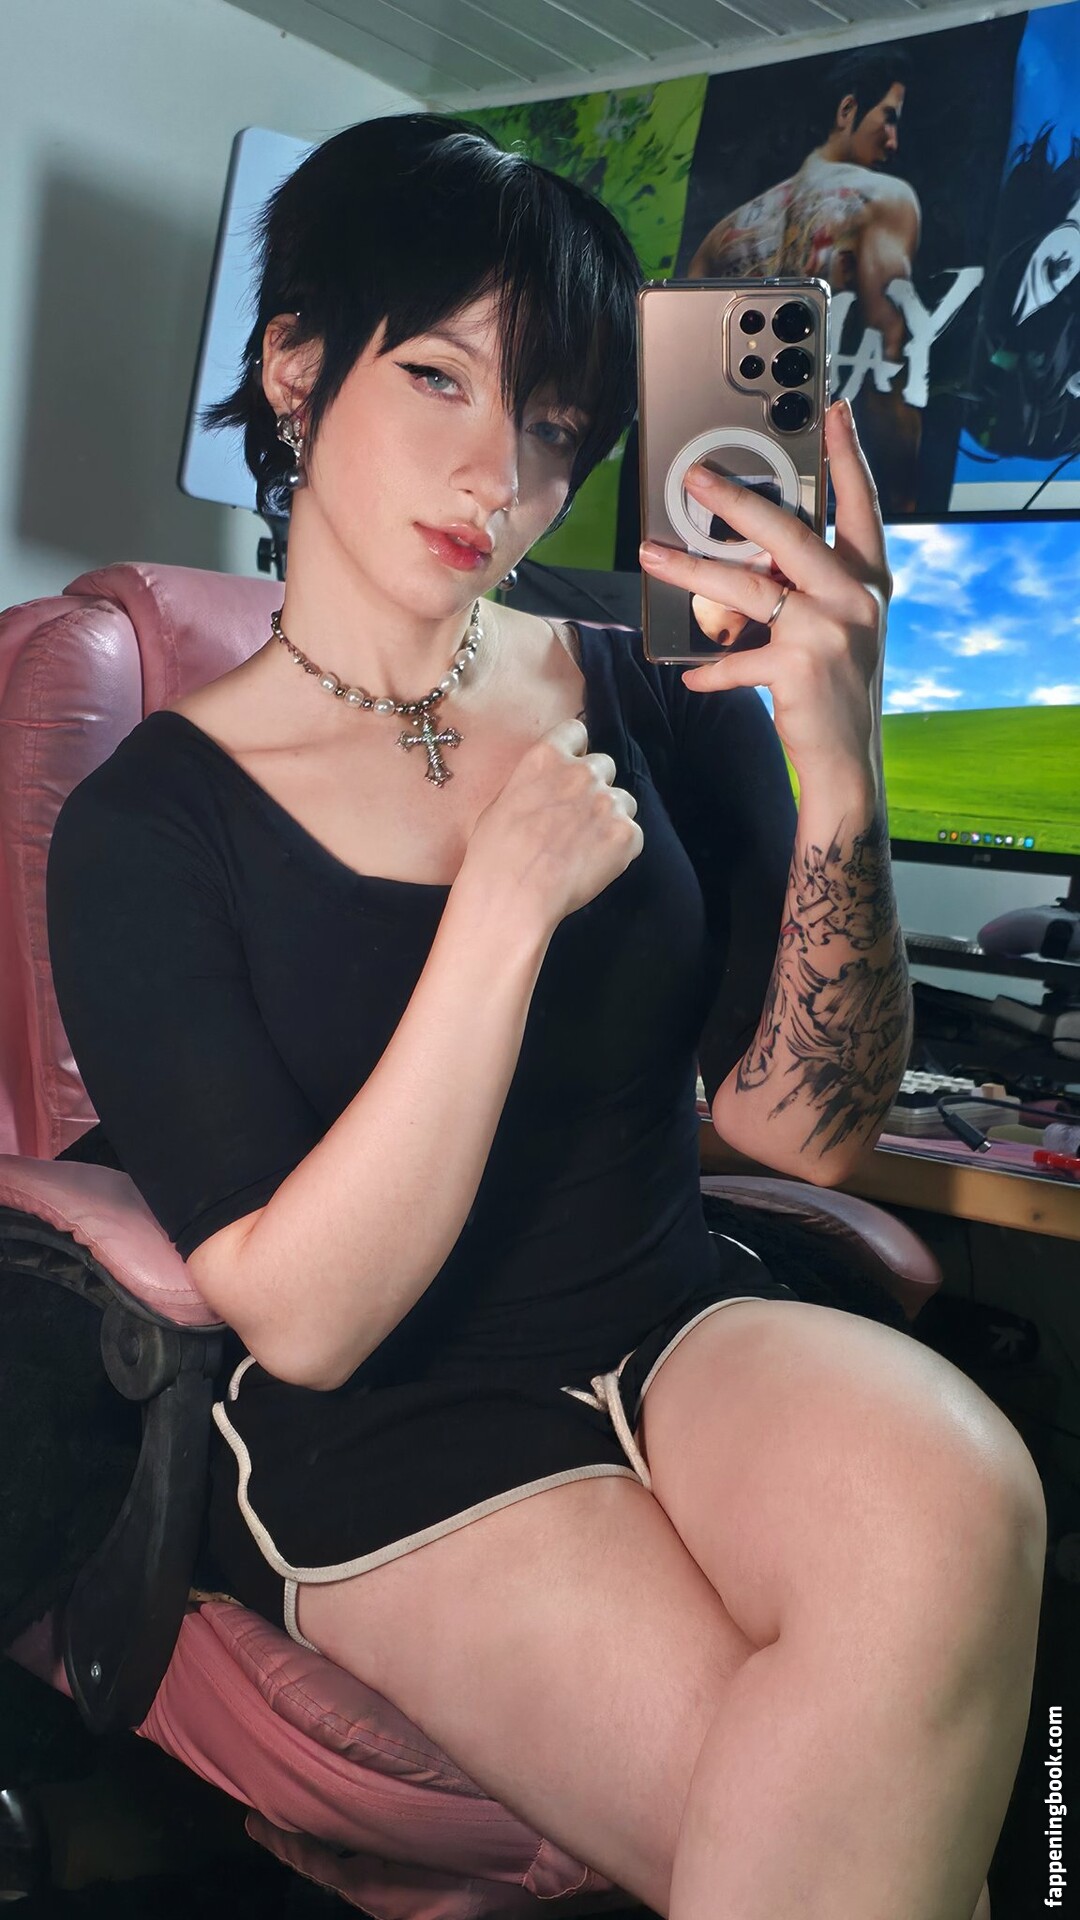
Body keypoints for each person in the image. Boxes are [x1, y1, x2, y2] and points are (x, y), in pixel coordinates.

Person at [46, 113, 1041, 1920]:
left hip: (675, 1315)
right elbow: (311, 1322)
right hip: (388, 1424)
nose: (500, 472)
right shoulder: (148, 821)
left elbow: (801, 1130)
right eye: (439, 376)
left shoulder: (640, 672)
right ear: (296, 366)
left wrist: (842, 768)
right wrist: (499, 914)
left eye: (559, 424)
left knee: (968, 1489)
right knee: (839, 1830)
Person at [687, 48, 922, 514]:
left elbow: (690, 387)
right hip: (832, 488)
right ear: (847, 110)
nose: (893, 142)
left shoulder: (722, 237)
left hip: (735, 490)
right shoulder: (882, 199)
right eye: (888, 118)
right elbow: (887, 353)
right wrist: (902, 504)